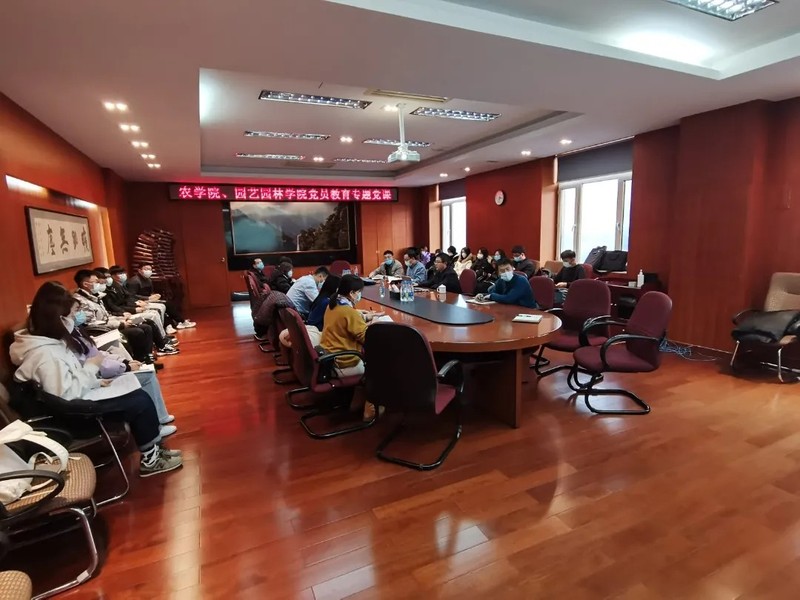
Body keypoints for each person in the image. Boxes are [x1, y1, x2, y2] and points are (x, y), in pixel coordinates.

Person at [10, 282, 183, 477]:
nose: (74, 319)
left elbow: (69, 378)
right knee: (138, 402)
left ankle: (153, 450)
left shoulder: (49, 342)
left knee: (136, 392)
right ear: (58, 318)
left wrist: (95, 381)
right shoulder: (44, 355)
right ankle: (151, 460)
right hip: (69, 412)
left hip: (72, 399)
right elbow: (66, 394)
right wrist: (92, 368)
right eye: (71, 315)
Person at [320, 275, 382, 420]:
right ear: (352, 293)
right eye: (359, 292)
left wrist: (363, 318)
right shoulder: (348, 312)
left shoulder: (333, 304)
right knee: (382, 363)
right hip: (345, 361)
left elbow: (347, 320)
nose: (360, 295)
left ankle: (357, 400)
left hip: (330, 356)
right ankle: (371, 409)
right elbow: (367, 338)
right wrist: (375, 326)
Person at [73, 269, 155, 362]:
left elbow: (106, 316)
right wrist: (120, 324)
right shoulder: (81, 301)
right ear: (85, 284)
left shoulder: (95, 296)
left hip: (110, 324)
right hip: (100, 331)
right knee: (137, 332)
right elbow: (91, 324)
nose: (99, 284)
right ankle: (138, 360)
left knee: (146, 325)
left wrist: (122, 319)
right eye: (96, 282)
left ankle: (147, 357)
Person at [105, 266, 179, 355]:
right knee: (152, 315)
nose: (123, 275)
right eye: (120, 273)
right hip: (121, 315)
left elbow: (128, 298)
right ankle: (160, 342)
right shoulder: (110, 289)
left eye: (123, 273)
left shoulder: (119, 285)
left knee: (158, 310)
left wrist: (138, 303)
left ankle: (162, 340)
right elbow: (114, 306)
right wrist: (134, 309)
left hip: (127, 310)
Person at [126, 264, 196, 331]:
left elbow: (150, 292)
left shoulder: (148, 280)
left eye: (150, 269)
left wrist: (155, 296)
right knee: (164, 305)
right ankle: (177, 322)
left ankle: (176, 322)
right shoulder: (134, 281)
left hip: (148, 300)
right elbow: (132, 296)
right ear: (139, 270)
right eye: (146, 269)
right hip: (140, 302)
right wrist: (147, 298)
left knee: (168, 303)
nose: (148, 271)